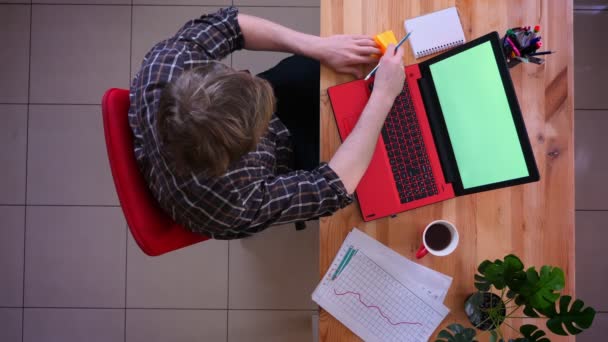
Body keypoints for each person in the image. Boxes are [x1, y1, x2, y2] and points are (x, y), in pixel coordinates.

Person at [129, 7, 405, 239]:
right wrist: (383, 96)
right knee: (386, 168)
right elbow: (331, 188)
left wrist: (319, 46)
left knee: (314, 66)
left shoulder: (167, 64)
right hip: (284, 160)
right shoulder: (233, 202)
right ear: (247, 146)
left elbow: (230, 25)